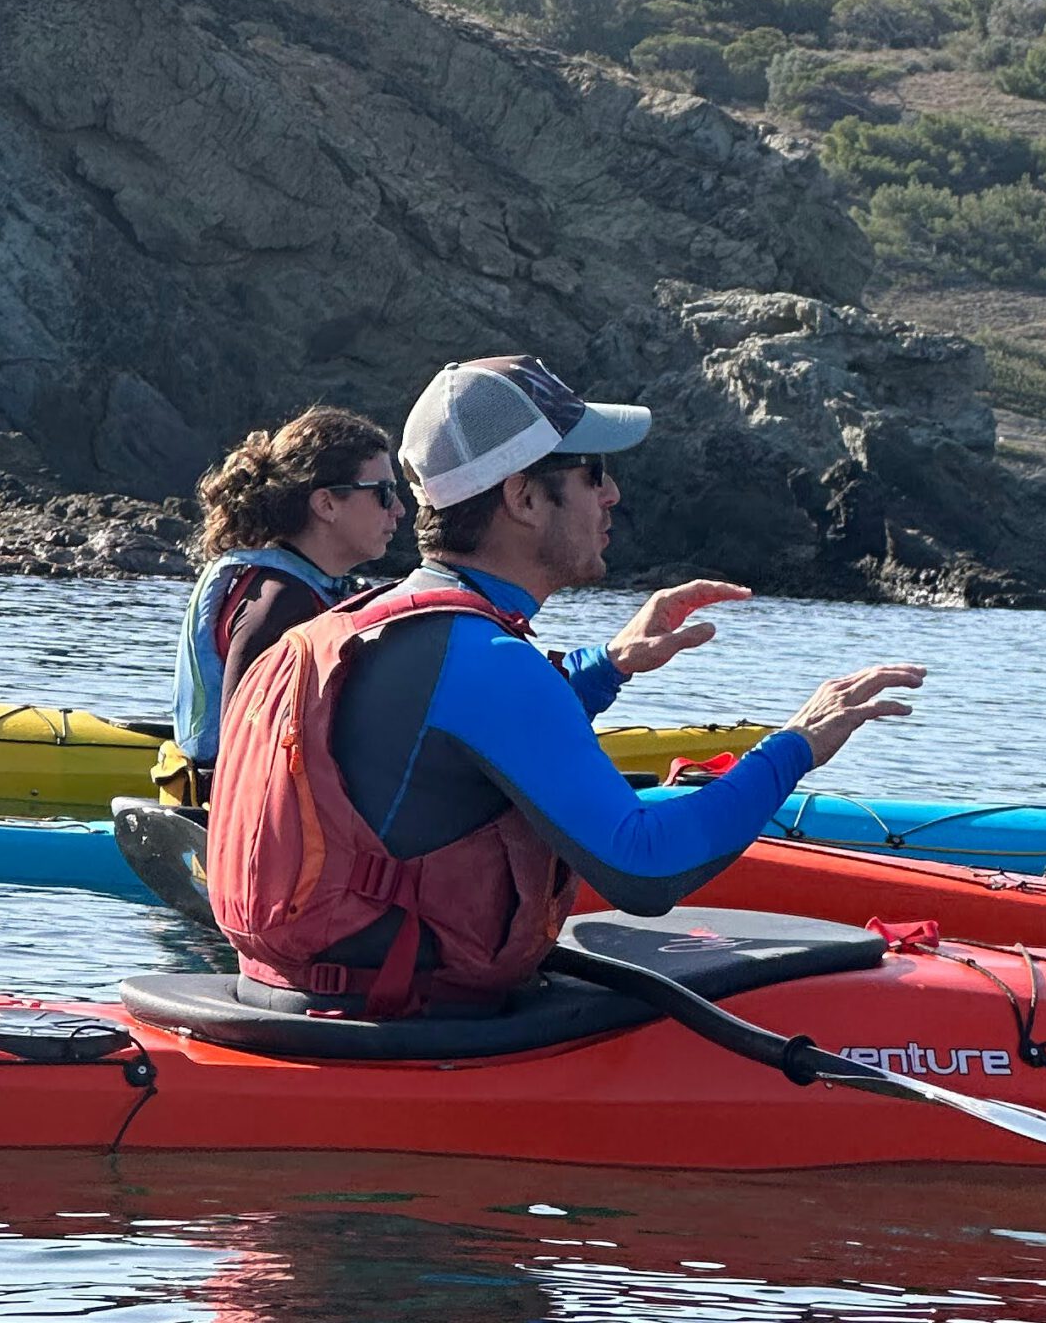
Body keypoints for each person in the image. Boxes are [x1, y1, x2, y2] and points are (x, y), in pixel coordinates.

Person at [206, 353, 921, 1018]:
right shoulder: (483, 655)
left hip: (298, 995)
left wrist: (609, 664)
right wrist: (796, 746)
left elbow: (447, 744)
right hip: (397, 1023)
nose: (611, 494)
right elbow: (646, 868)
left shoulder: (392, 620)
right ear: (522, 497)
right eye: (591, 473)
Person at [161, 406, 405, 804]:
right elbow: (244, 758)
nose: (399, 510)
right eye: (384, 493)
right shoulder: (280, 604)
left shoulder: (291, 590)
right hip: (237, 823)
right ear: (326, 504)